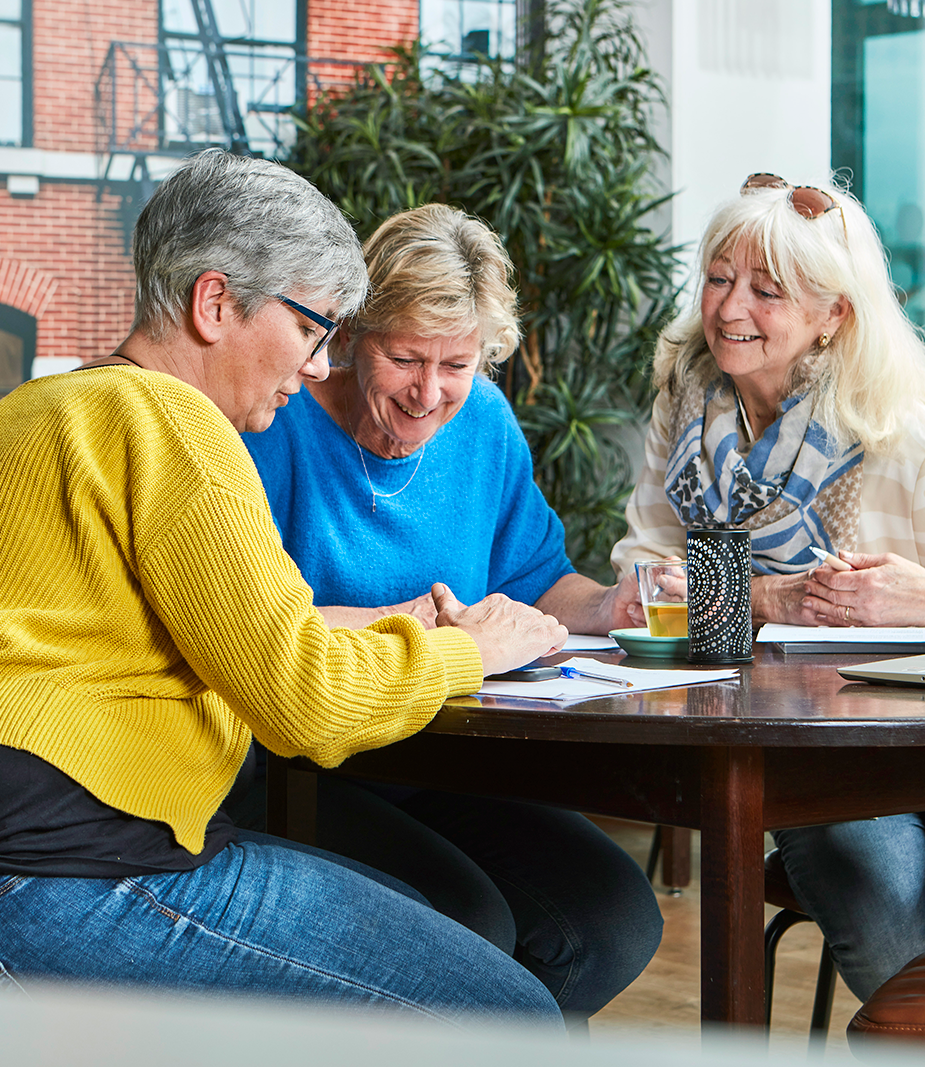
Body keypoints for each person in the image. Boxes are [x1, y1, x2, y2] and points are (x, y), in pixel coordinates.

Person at [0, 150, 571, 1029]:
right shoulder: (176, 421)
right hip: (43, 874)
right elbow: (308, 702)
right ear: (214, 302)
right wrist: (466, 649)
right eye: (311, 328)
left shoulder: (8, 424)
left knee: (431, 927)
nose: (316, 367)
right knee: (511, 1016)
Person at [610, 173, 925, 1002]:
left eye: (766, 290)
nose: (730, 307)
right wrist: (764, 597)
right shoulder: (683, 412)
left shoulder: (901, 432)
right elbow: (643, 581)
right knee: (892, 928)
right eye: (719, 278)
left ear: (833, 316)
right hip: (814, 756)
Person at [234, 203, 662, 1021]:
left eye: (456, 365)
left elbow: (537, 577)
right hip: (302, 767)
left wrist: (610, 604)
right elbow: (251, 621)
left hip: (446, 760)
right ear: (353, 334)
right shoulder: (275, 418)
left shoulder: (486, 424)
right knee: (470, 925)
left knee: (611, 921)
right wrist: (412, 624)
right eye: (403, 358)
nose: (428, 392)